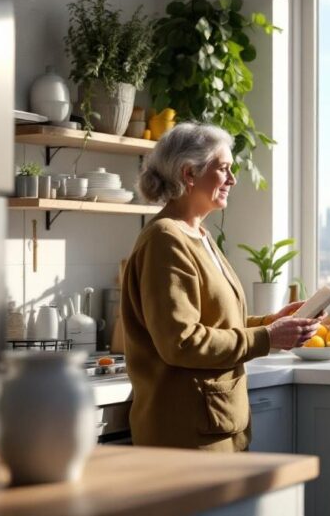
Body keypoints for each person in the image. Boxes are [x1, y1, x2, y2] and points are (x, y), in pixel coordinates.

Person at [122, 123, 319, 452]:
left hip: (216, 423)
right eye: (224, 169)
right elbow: (181, 342)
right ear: (189, 174)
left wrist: (271, 323)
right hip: (186, 434)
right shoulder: (165, 240)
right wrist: (269, 338)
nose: (233, 179)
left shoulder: (199, 235)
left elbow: (219, 324)